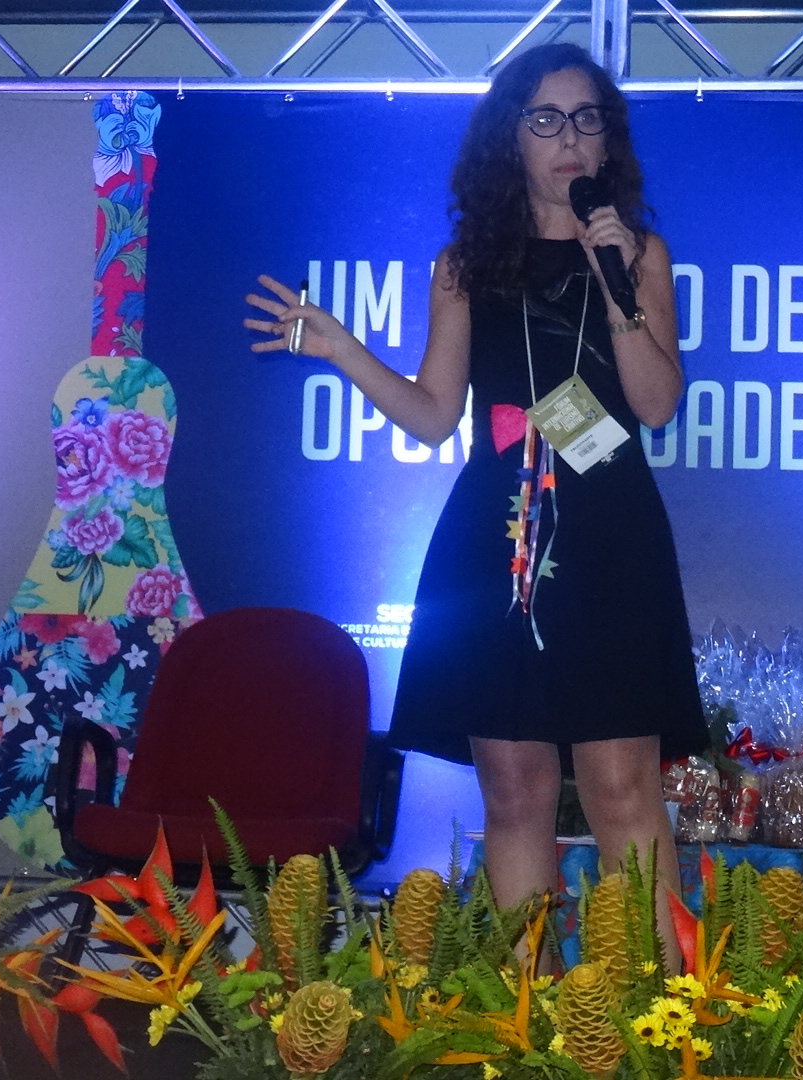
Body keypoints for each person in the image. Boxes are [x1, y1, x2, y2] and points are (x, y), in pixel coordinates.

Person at [245, 43, 707, 964]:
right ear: (510, 137)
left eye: (587, 119)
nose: (569, 139)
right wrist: (343, 352)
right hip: (499, 535)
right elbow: (432, 413)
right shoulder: (466, 265)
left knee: (622, 786)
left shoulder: (640, 253)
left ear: (608, 139)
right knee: (515, 785)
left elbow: (655, 404)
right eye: (546, 119)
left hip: (610, 535)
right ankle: (533, 1009)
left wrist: (615, 283)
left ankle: (662, 1012)